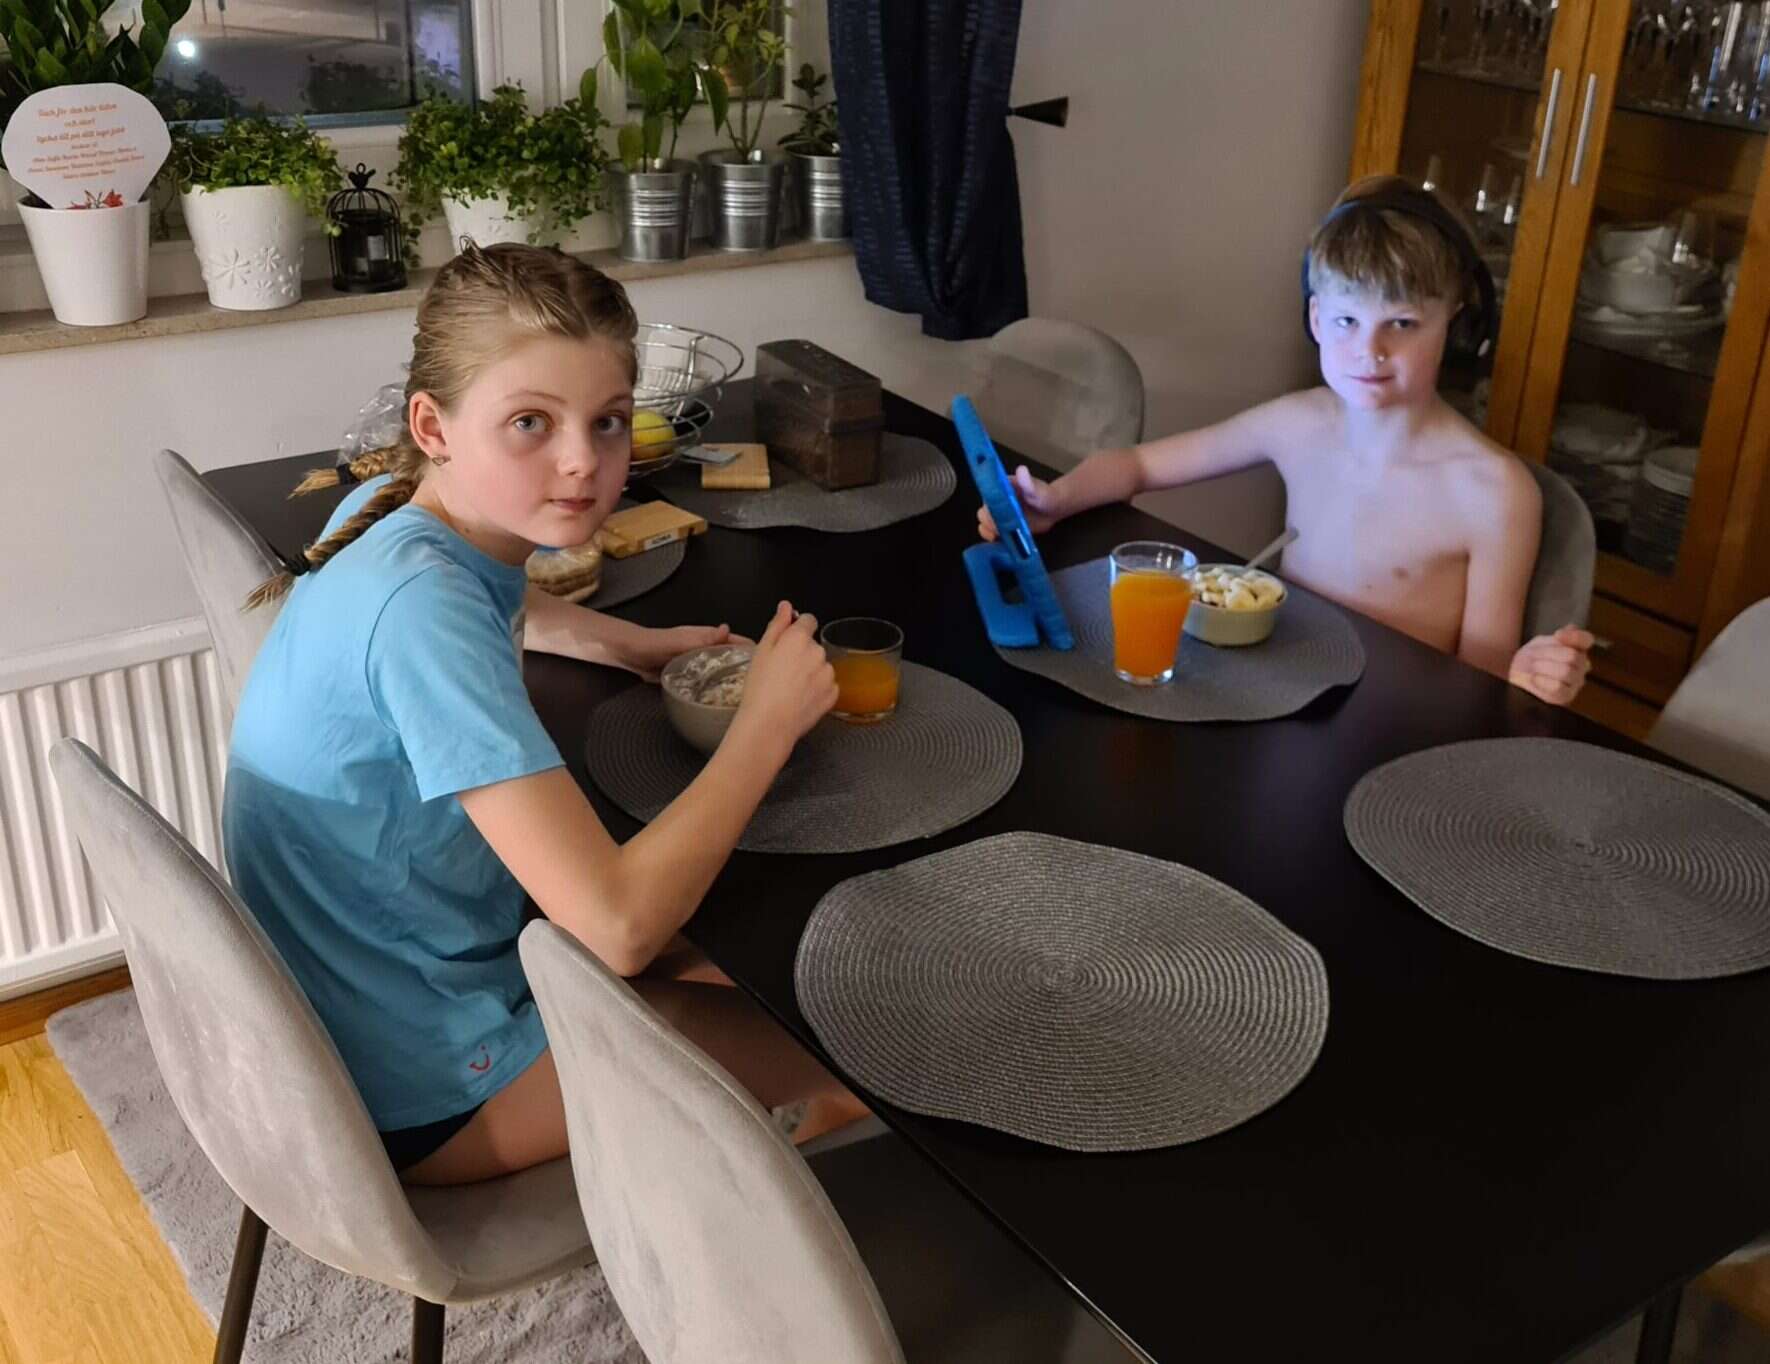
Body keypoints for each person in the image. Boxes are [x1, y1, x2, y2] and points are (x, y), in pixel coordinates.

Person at [225, 241, 859, 1185]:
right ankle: (741, 1196)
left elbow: (493, 595)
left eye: (608, 422)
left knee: (762, 958)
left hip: (367, 1005)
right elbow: (616, 929)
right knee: (857, 1056)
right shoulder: (421, 617)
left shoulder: (389, 515)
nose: (581, 463)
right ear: (434, 426)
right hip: (424, 1091)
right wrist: (766, 723)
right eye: (531, 422)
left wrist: (624, 643)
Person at [980, 176, 1594, 706]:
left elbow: (1483, 680)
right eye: (1347, 320)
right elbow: (1139, 466)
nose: (1370, 350)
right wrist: (1057, 500)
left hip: (1389, 723)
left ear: (1455, 327)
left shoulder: (1494, 492)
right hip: (1275, 693)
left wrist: (1525, 678)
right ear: (1316, 319)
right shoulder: (1297, 423)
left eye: (1403, 323)